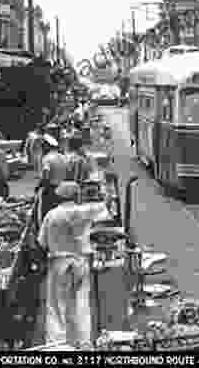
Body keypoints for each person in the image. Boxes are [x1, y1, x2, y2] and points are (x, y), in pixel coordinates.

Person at [37, 182, 111, 349]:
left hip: (59, 263)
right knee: (82, 304)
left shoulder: (51, 215)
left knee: (57, 307)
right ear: (76, 196)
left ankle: (57, 346)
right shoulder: (83, 211)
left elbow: (42, 242)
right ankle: (85, 344)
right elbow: (106, 208)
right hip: (80, 262)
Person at [38, 134, 70, 219]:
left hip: (50, 189)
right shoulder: (64, 157)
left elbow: (46, 174)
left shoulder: (47, 158)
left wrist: (40, 186)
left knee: (46, 213)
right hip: (63, 188)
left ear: (47, 146)